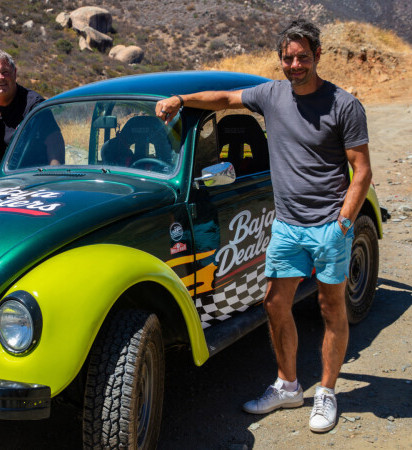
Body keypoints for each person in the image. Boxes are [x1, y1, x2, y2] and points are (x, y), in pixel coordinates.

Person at [156, 19, 372, 433]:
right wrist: (181, 99)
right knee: (274, 302)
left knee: (331, 307)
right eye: (288, 58)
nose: (295, 65)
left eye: (303, 57)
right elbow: (224, 98)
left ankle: (327, 391)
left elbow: (361, 170)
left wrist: (344, 224)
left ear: (317, 55)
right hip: (287, 225)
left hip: (328, 225)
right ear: (281, 60)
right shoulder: (271, 95)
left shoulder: (344, 105)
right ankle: (288, 385)